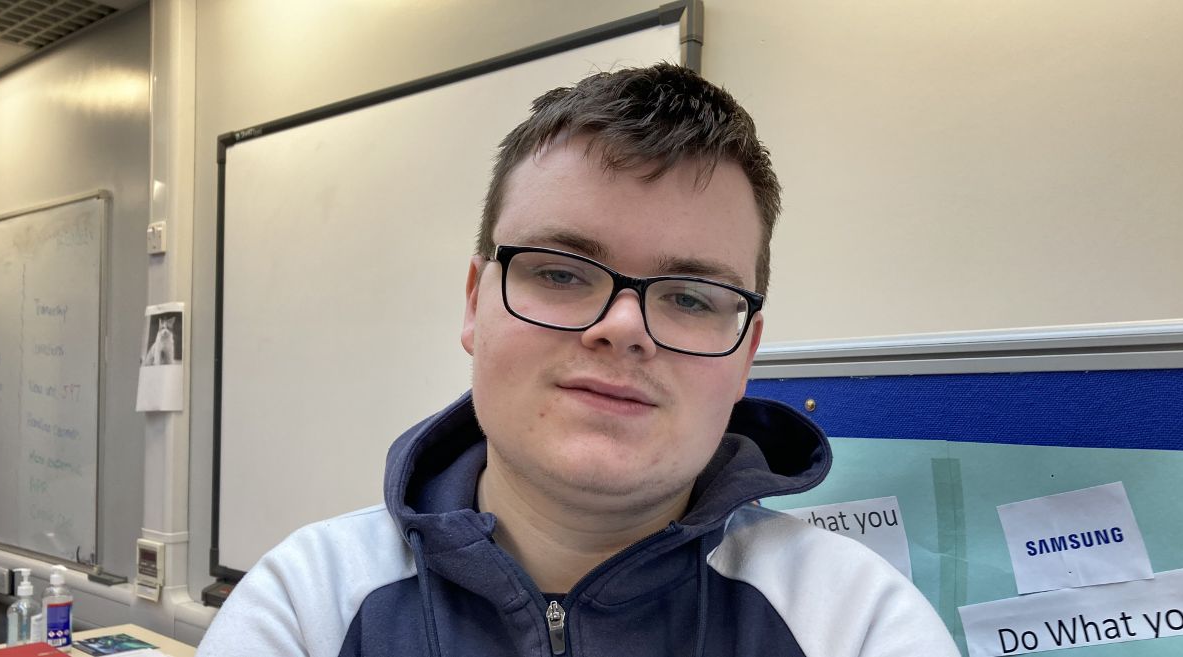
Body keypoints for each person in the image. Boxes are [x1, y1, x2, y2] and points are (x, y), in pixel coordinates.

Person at [198, 64, 959, 656]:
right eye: (561, 274)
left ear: (745, 356)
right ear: (475, 303)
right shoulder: (307, 607)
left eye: (690, 297)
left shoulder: (852, 622)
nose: (623, 328)